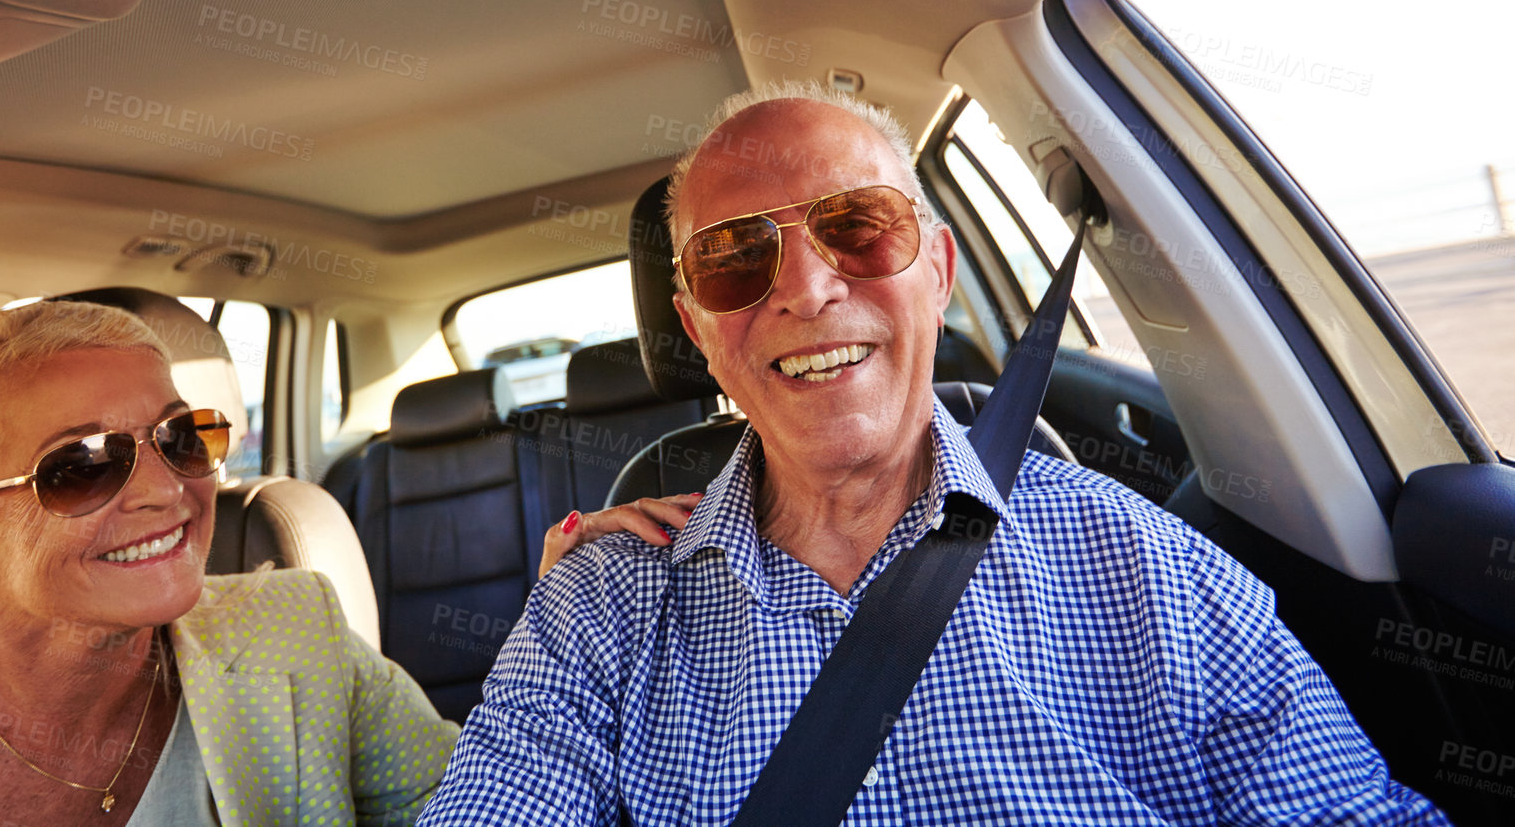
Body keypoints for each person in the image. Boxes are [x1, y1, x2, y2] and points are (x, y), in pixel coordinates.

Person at [426, 82, 1447, 825]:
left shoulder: (1144, 564)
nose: (805, 288)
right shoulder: (599, 607)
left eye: (856, 228)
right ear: (699, 333)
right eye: (736, 257)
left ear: (938, 273)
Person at [0, 299, 690, 826]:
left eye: (185, 438)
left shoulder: (295, 629)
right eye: (83, 465)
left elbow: (488, 809)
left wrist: (561, 628)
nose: (162, 492)